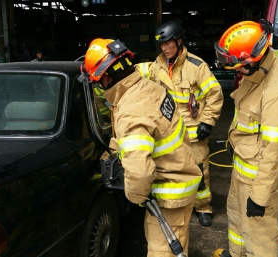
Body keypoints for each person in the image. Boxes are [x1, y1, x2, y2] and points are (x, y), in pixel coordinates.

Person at [83, 38, 202, 257]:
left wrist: (133, 196)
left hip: (169, 194)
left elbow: (140, 173)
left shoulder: (131, 111)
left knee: (163, 252)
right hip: (179, 177)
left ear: (106, 77)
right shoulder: (144, 87)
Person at [213, 19, 278, 257]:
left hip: (258, 181)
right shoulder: (256, 76)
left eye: (238, 66)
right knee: (237, 221)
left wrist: (260, 198)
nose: (236, 71)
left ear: (252, 59)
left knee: (259, 239)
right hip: (242, 171)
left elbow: (275, 151)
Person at [138, 21, 224, 227]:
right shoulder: (154, 67)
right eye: (161, 44)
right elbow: (132, 75)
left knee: (200, 173)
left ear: (179, 41)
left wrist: (208, 121)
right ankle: (173, 205)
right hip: (167, 135)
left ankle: (202, 207)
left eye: (168, 43)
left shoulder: (196, 66)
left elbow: (215, 93)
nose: (164, 48)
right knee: (170, 172)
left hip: (194, 135)